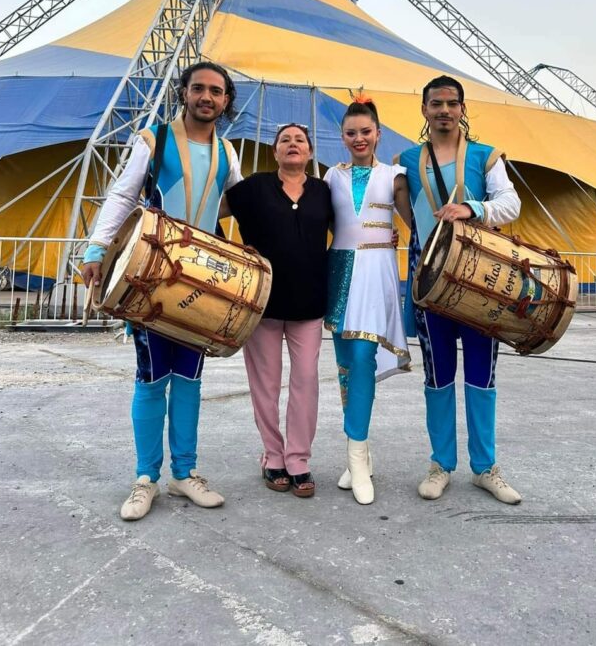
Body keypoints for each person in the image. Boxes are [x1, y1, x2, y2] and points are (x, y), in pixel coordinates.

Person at [81, 62, 242, 520]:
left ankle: (185, 473)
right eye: (198, 89)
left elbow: (240, 200)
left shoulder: (228, 152)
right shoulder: (155, 139)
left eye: (216, 91)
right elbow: (122, 195)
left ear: (226, 100)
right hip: (151, 277)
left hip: (203, 282)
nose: (206, 97)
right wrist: (96, 250)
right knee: (152, 377)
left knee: (190, 377)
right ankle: (145, 477)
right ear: (184, 93)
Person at [397, 75, 522, 504]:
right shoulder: (407, 160)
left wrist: (473, 208)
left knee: (482, 376)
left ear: (462, 108)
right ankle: (440, 463)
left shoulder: (486, 158)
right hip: (432, 287)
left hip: (481, 287)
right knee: (438, 375)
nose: (444, 110)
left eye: (452, 103)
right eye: (436, 104)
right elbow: (398, 205)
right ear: (425, 109)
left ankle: (485, 467)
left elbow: (511, 203)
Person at [222, 123, 332, 498]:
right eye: (285, 140)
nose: (292, 144)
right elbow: (208, 210)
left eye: (300, 140)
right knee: (265, 385)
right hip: (262, 303)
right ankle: (273, 456)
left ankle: (298, 458)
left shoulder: (324, 191)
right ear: (275, 151)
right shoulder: (252, 189)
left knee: (305, 382)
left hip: (310, 303)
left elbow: (351, 229)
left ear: (310, 152)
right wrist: (228, 254)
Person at [323, 98, 412, 505]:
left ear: (378, 133)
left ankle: (356, 456)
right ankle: (360, 452)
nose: (359, 138)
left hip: (377, 274)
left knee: (362, 359)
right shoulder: (330, 176)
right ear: (343, 137)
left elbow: (416, 221)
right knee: (345, 368)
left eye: (366, 131)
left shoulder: (396, 175)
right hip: (339, 272)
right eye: (351, 133)